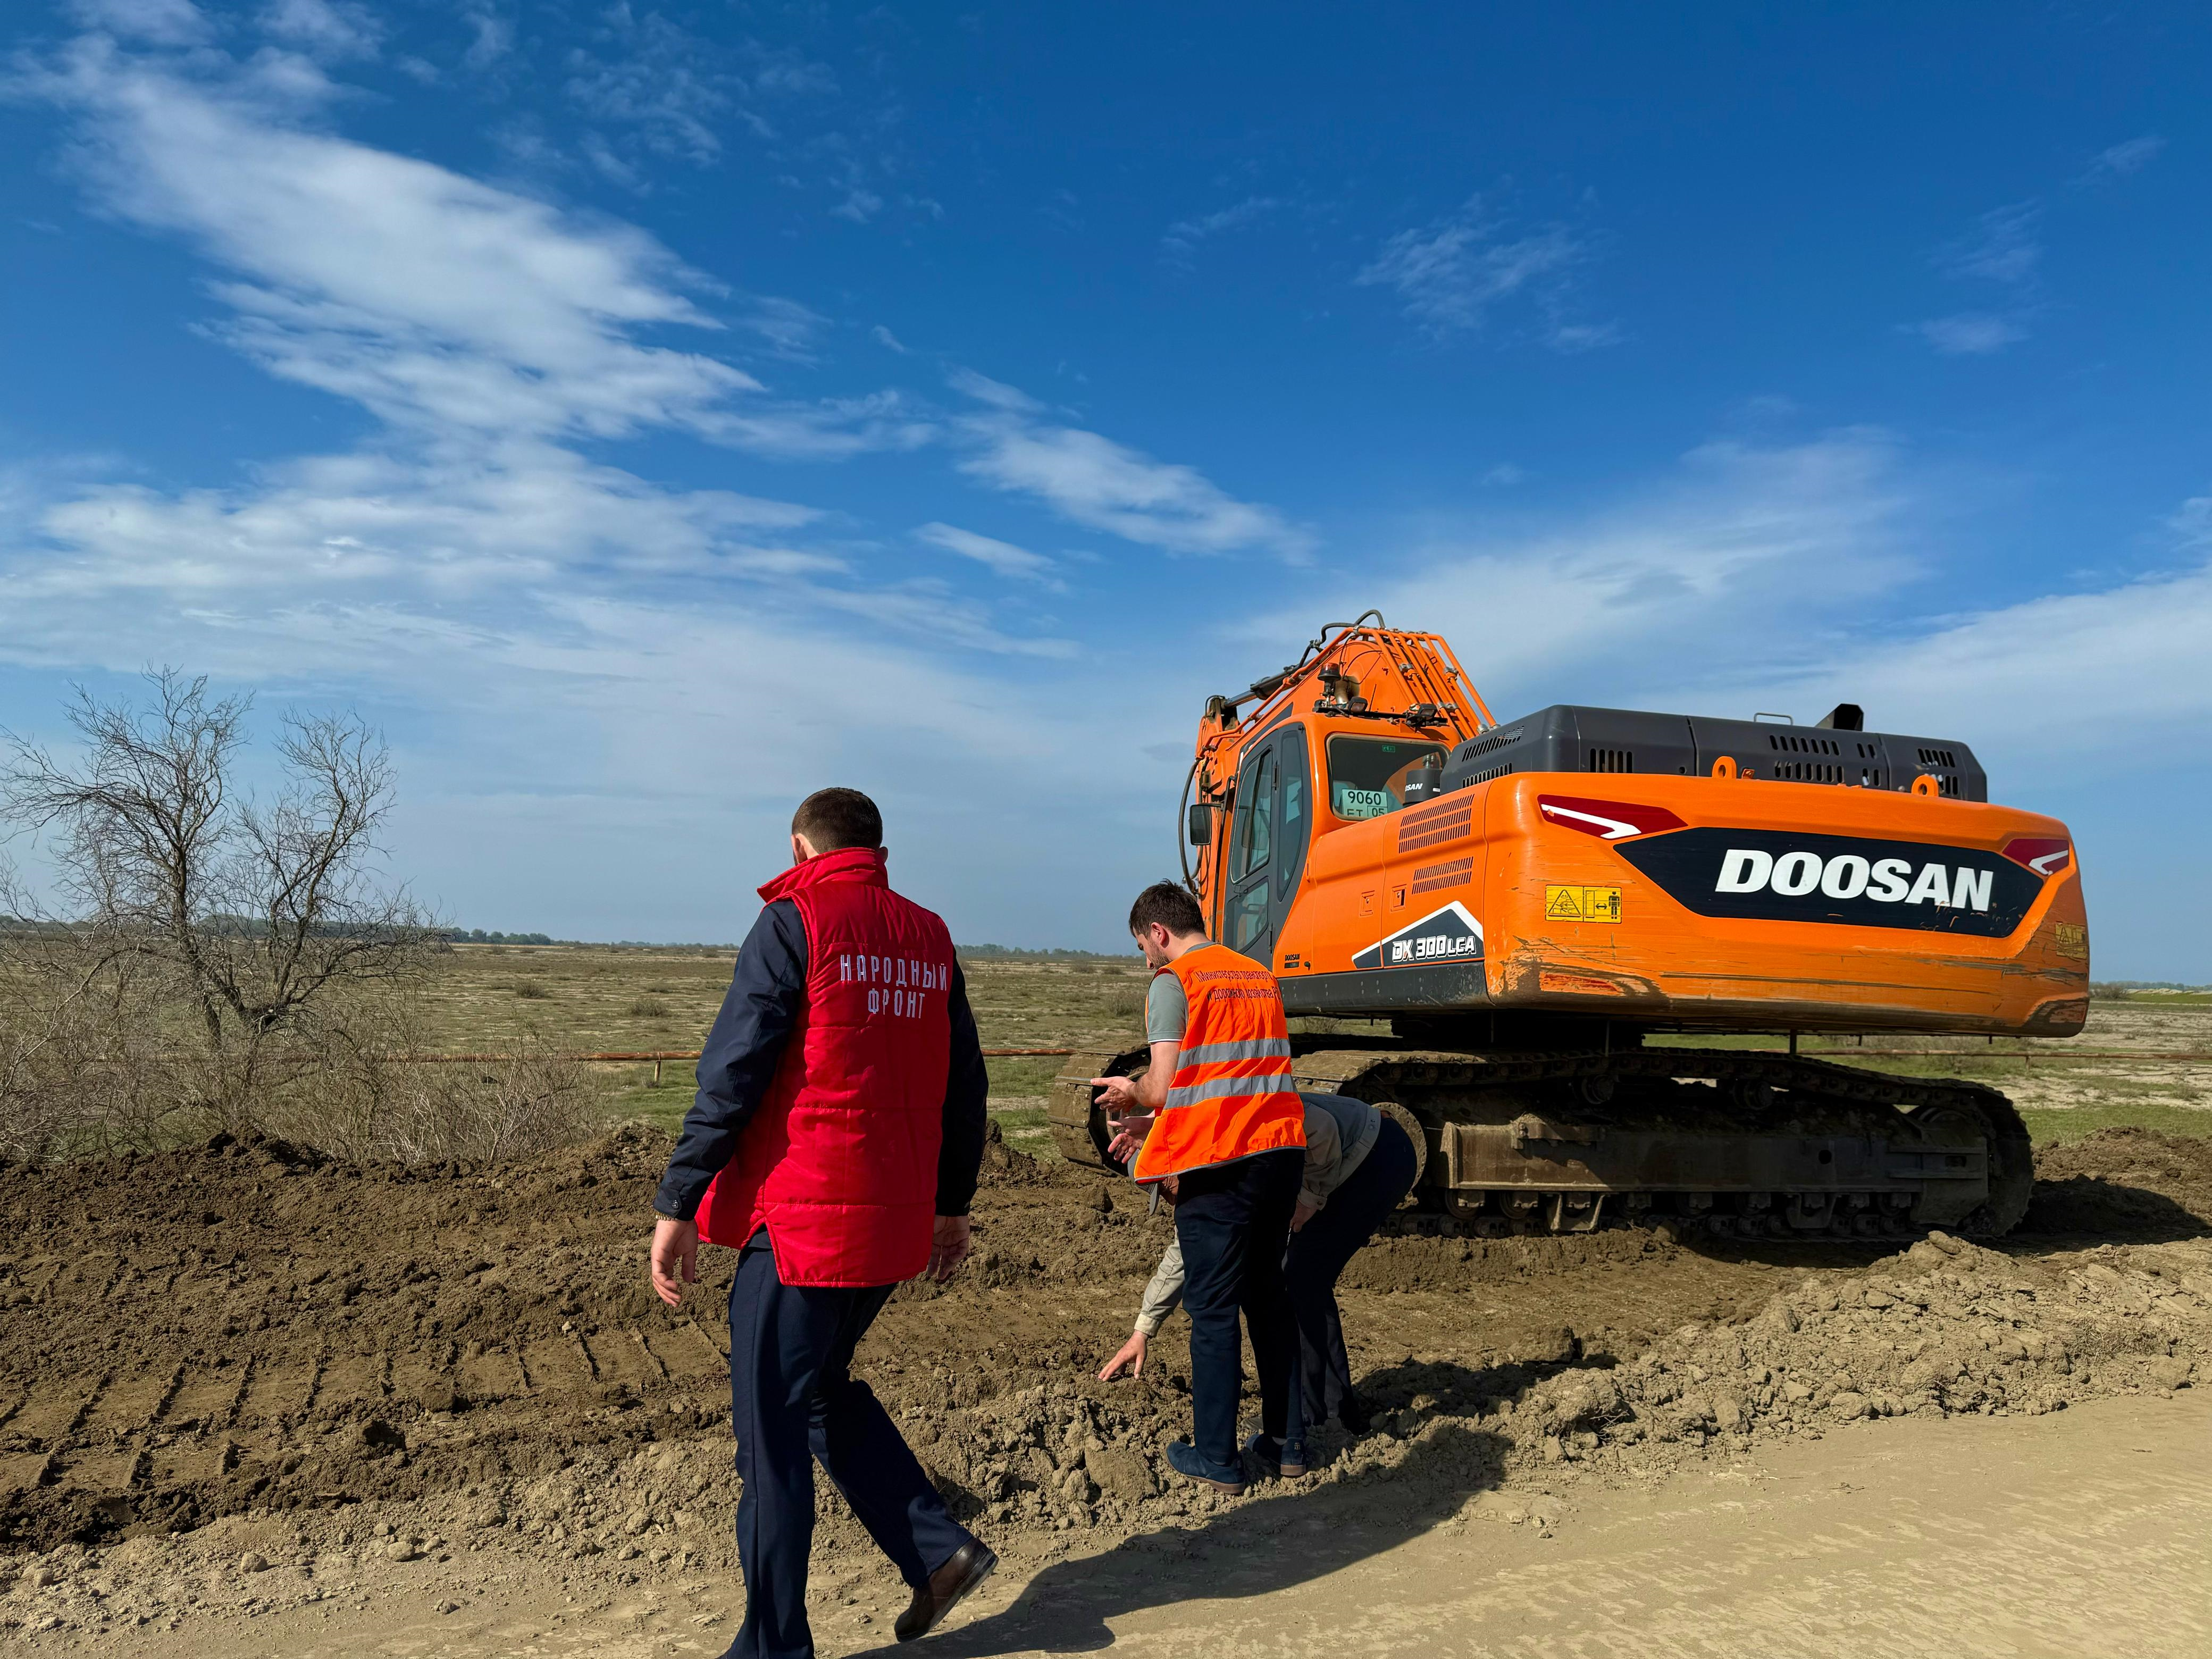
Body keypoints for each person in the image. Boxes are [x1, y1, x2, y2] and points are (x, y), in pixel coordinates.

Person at [648, 787, 994, 1659]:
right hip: (891, 1226)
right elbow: (967, 1087)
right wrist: (951, 1209)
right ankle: (937, 1552)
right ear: (877, 849)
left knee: (770, 1432)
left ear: (802, 844)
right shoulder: (930, 937)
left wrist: (679, 1199)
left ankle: (773, 1648)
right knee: (819, 1393)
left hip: (801, 1228)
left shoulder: (794, 921)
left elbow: (734, 1071)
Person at [1090, 881, 1305, 1495]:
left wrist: (1129, 1091)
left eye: (1143, 948)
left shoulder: (1175, 982)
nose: (1147, 962)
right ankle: (1287, 1444)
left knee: (1211, 1312)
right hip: (1280, 1151)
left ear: (1158, 932)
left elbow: (1162, 1085)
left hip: (1221, 1164)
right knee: (1268, 1297)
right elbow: (1227, 1076)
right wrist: (1154, 1117)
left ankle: (1216, 1457)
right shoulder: (1256, 975)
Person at [1098, 1093, 1419, 1462]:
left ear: (1176, 1165)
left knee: (1299, 1278)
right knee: (1298, 1278)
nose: (1173, 1203)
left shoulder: (1222, 1141)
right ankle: (1320, 1412)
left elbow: (1322, 1128)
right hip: (1337, 1162)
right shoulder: (1204, 1172)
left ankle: (1319, 1416)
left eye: (1166, 1190)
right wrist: (1143, 1330)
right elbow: (1186, 1251)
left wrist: (1310, 1198)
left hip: (1374, 1155)